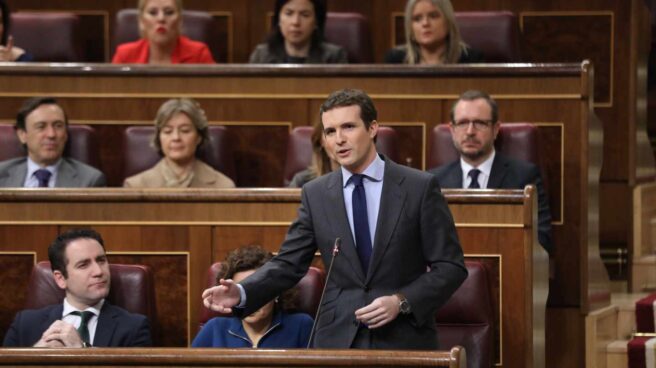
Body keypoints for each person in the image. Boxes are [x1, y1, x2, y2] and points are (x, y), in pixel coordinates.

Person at [202, 88, 466, 350]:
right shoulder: (316, 194)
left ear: (373, 128)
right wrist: (243, 292)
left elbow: (450, 266)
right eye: (330, 131)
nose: (339, 139)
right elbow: (288, 263)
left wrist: (401, 301)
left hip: (404, 336)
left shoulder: (418, 187)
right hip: (338, 339)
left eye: (348, 127)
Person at [429, 89, 553, 255]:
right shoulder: (433, 181)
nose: (470, 131)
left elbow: (542, 238)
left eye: (480, 123)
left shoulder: (524, 177)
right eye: (462, 123)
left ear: (495, 129)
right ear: (452, 130)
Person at [3, 229, 152, 347]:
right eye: (83, 265)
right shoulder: (25, 324)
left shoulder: (134, 328)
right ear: (61, 279)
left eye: (101, 260)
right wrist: (35, 356)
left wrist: (82, 351)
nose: (99, 272)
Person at [193, 245, 313, 348]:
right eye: (242, 294)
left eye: (256, 293)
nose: (249, 302)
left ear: (275, 292)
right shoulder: (214, 328)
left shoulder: (301, 326)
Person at [123, 98, 235, 188]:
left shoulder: (223, 186)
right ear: (159, 137)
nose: (176, 137)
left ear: (199, 137)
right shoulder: (135, 186)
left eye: (185, 131)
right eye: (168, 131)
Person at [0, 97, 106, 187]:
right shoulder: (2, 175)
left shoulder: (89, 180)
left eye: (58, 126)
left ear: (65, 134)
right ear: (22, 135)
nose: (51, 134)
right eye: (41, 127)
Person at [112, 0, 215, 64]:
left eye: (169, 12)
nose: (161, 18)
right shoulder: (125, 56)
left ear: (180, 20)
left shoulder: (199, 54)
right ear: (141, 21)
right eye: (153, 12)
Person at [384, 0, 483, 65]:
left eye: (433, 16)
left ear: (448, 22)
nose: (425, 23)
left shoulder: (471, 60)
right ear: (410, 28)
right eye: (417, 19)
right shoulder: (396, 59)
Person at [249, 0, 347, 64]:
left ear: (316, 22)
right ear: (278, 19)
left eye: (305, 15)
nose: (295, 22)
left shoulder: (334, 57)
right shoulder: (261, 55)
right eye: (289, 13)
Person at [288, 120, 339, 187]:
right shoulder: (303, 182)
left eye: (348, 128)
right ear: (321, 141)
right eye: (331, 132)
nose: (339, 140)